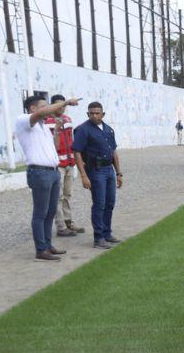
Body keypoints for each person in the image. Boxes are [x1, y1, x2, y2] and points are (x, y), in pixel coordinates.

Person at [15, 93, 79, 261]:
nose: (47, 109)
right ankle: (40, 249)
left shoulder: (43, 126)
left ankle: (47, 245)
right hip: (39, 172)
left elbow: (55, 147)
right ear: (33, 108)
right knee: (40, 213)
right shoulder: (24, 120)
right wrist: (64, 102)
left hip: (52, 171)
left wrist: (57, 131)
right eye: (43, 106)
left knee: (50, 211)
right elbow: (41, 114)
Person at [73, 101, 123, 249]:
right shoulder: (83, 130)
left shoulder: (108, 130)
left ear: (103, 114)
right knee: (99, 204)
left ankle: (107, 233)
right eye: (91, 113)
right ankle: (98, 237)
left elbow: (113, 152)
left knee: (110, 203)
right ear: (87, 114)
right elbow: (77, 152)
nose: (94, 115)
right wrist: (83, 176)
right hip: (95, 171)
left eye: (97, 113)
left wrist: (119, 173)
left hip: (109, 170)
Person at [46, 95, 84, 238]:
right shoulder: (47, 122)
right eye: (59, 105)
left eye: (64, 105)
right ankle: (60, 226)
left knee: (67, 195)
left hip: (69, 163)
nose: (61, 108)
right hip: (58, 165)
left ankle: (69, 222)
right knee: (58, 196)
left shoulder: (68, 120)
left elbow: (71, 141)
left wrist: (74, 159)